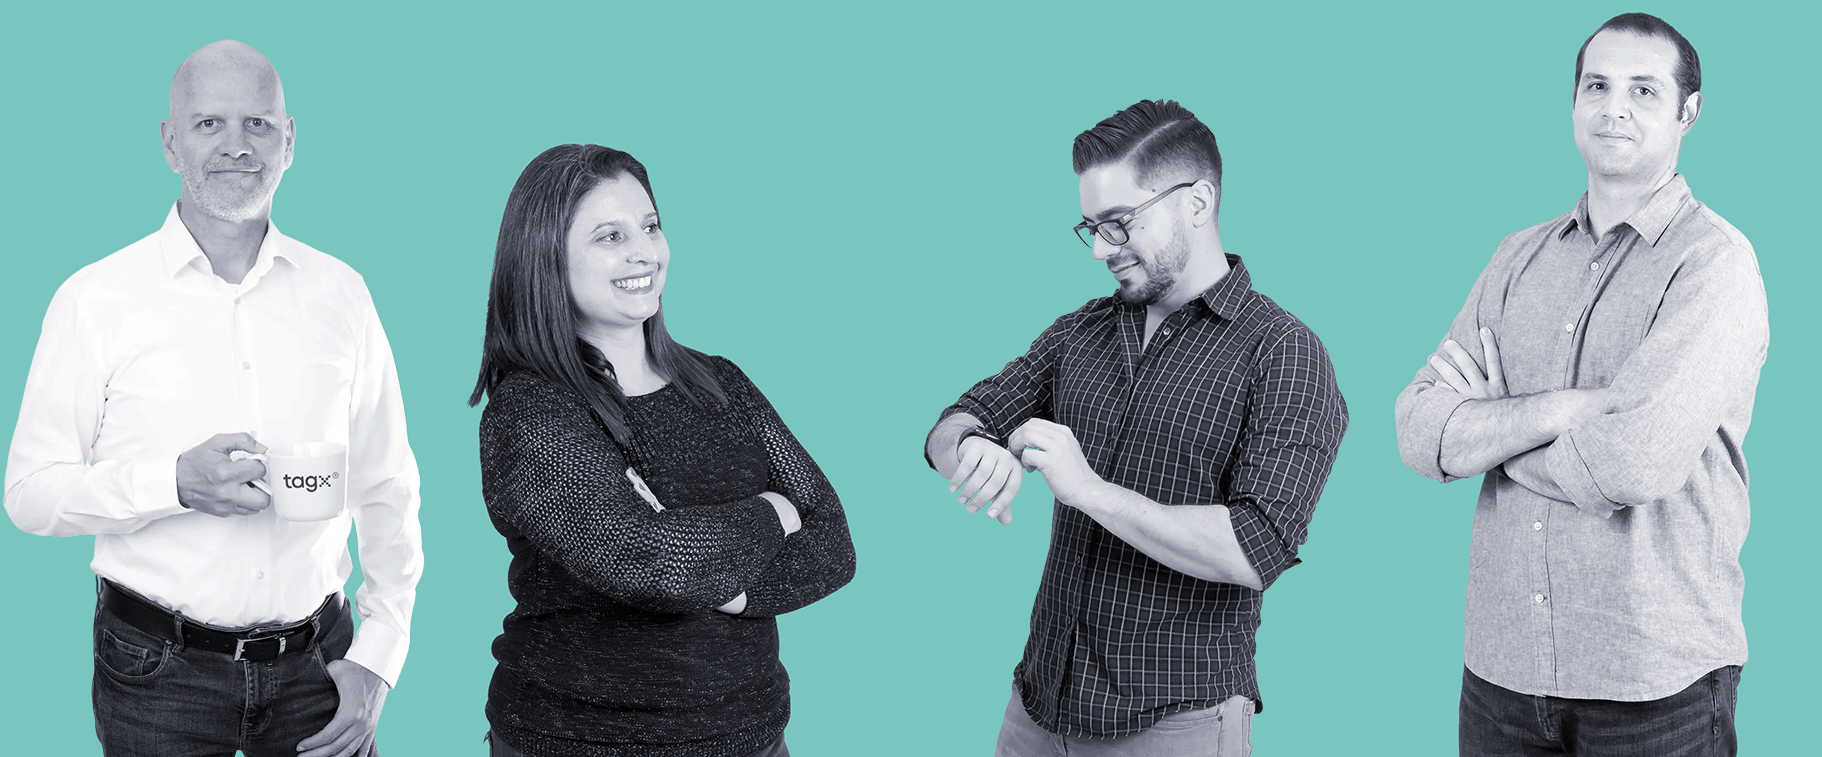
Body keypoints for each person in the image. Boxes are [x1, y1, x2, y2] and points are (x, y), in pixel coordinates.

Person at [4, 41, 421, 757]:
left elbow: (388, 484)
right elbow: (30, 494)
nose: (237, 146)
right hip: (156, 674)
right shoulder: (94, 300)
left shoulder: (342, 295)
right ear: (170, 142)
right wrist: (173, 483)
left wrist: (380, 655)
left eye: (258, 124)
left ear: (290, 141)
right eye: (208, 124)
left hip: (317, 665)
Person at [925, 100, 1348, 757]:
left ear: (1198, 201)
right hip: (1037, 705)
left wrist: (1090, 490)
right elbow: (957, 419)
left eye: (1119, 224)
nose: (1100, 249)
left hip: (1172, 722)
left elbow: (1255, 547)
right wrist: (973, 450)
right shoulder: (1082, 330)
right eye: (1090, 227)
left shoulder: (1284, 351)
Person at [1393, 13, 1765, 757]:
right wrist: (1564, 411)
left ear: (1689, 112)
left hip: (1652, 686)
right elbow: (1416, 428)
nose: (1613, 107)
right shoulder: (1516, 257)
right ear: (1573, 103)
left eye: (1642, 89)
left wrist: (1491, 431)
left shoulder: (1713, 265)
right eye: (1596, 85)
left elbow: (1632, 462)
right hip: (1500, 675)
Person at [469, 144, 856, 757]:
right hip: (581, 740)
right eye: (610, 236)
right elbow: (645, 562)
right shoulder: (532, 410)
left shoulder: (721, 380)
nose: (643, 251)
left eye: (650, 226)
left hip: (752, 735)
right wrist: (773, 512)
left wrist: (716, 575)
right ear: (545, 258)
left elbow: (834, 543)